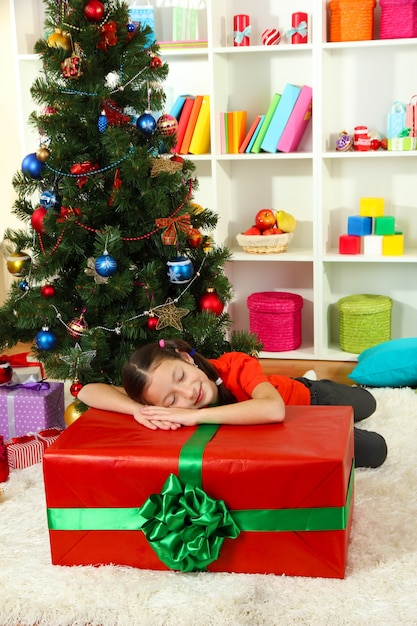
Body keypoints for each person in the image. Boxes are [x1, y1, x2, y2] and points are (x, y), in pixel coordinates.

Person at [78, 338, 387, 468]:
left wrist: (192, 418)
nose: (188, 394)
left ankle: (316, 380)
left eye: (182, 377)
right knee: (376, 450)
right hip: (293, 433)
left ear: (187, 358)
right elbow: (86, 391)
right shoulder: (156, 397)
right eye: (171, 400)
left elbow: (274, 409)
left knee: (367, 404)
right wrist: (141, 411)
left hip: (305, 400)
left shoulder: (234, 365)